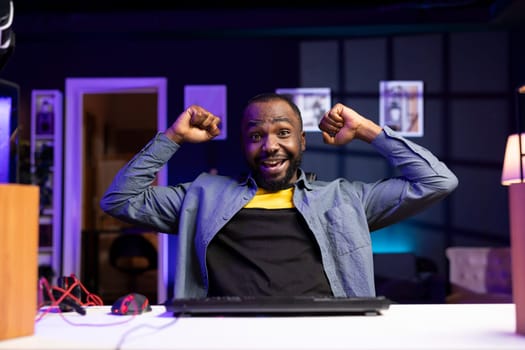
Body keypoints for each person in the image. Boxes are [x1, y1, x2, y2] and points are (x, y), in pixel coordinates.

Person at [100, 92, 458, 299]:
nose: (270, 146)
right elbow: (118, 200)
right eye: (256, 136)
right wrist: (172, 138)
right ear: (244, 145)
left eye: (283, 133)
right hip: (225, 337)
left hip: (323, 337)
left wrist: (366, 129)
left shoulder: (344, 199)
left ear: (301, 142)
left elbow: (437, 181)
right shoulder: (202, 196)